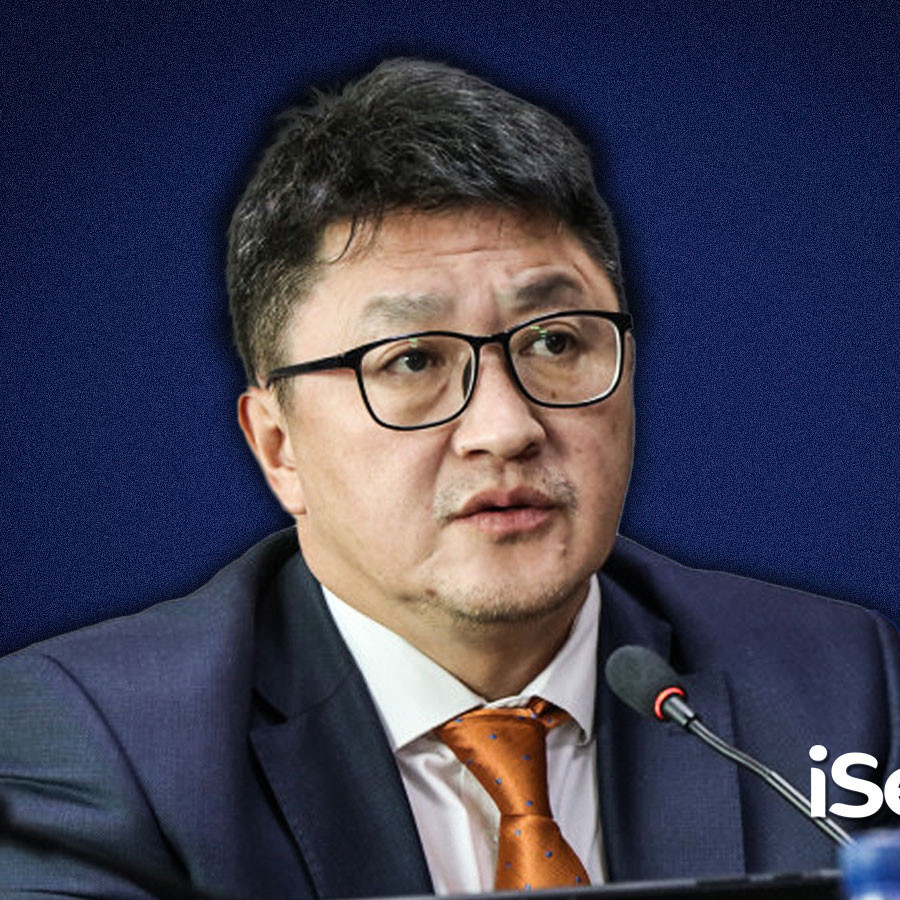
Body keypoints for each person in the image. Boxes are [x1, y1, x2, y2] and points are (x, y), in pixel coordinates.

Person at [1, 58, 898, 900]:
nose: (506, 428)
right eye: (412, 360)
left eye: (556, 342)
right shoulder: (94, 747)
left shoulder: (843, 686)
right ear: (279, 447)